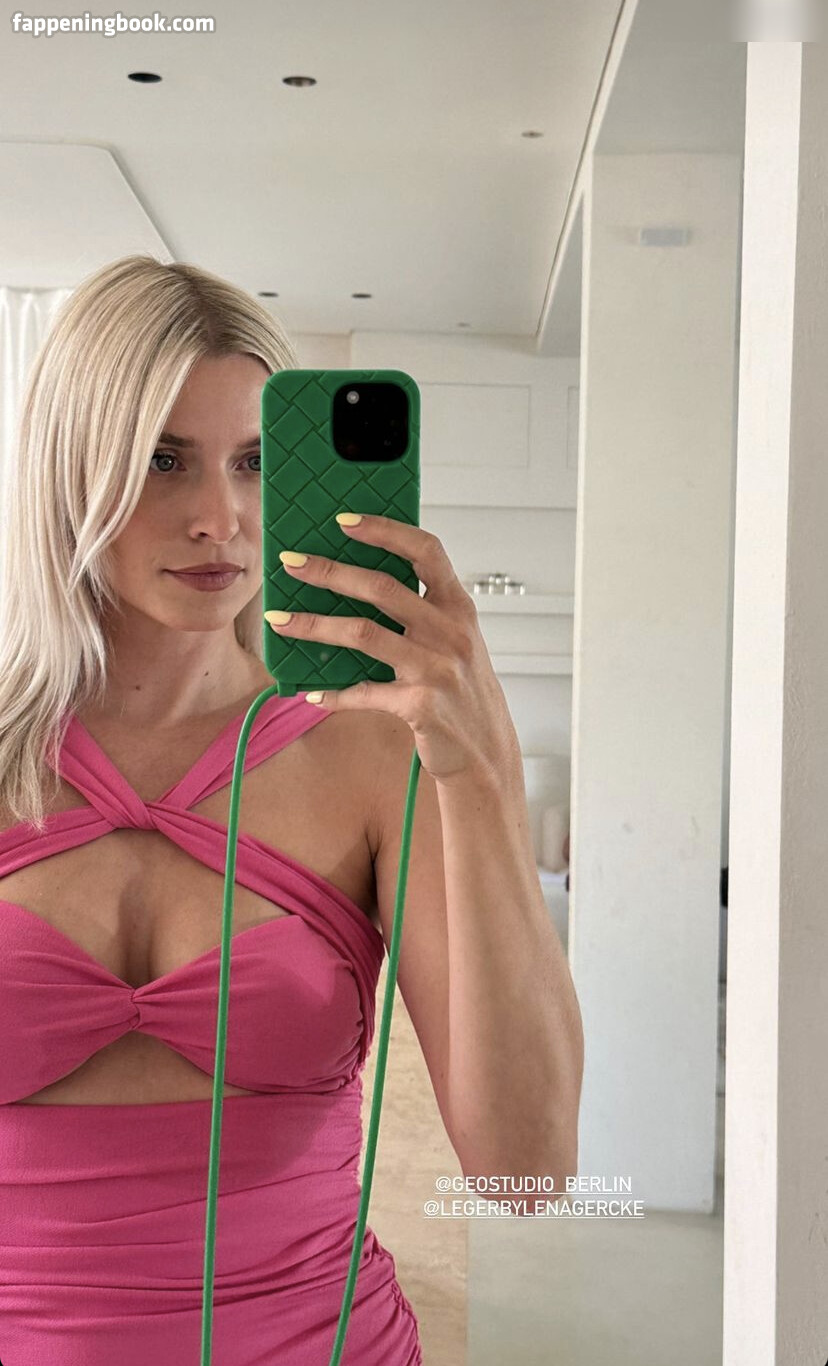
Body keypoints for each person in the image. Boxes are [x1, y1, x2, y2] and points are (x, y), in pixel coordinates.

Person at [0, 254, 583, 1364]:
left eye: (258, 462)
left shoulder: (372, 752)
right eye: (163, 459)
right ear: (70, 467)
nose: (220, 517)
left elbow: (529, 1172)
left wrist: (479, 777)